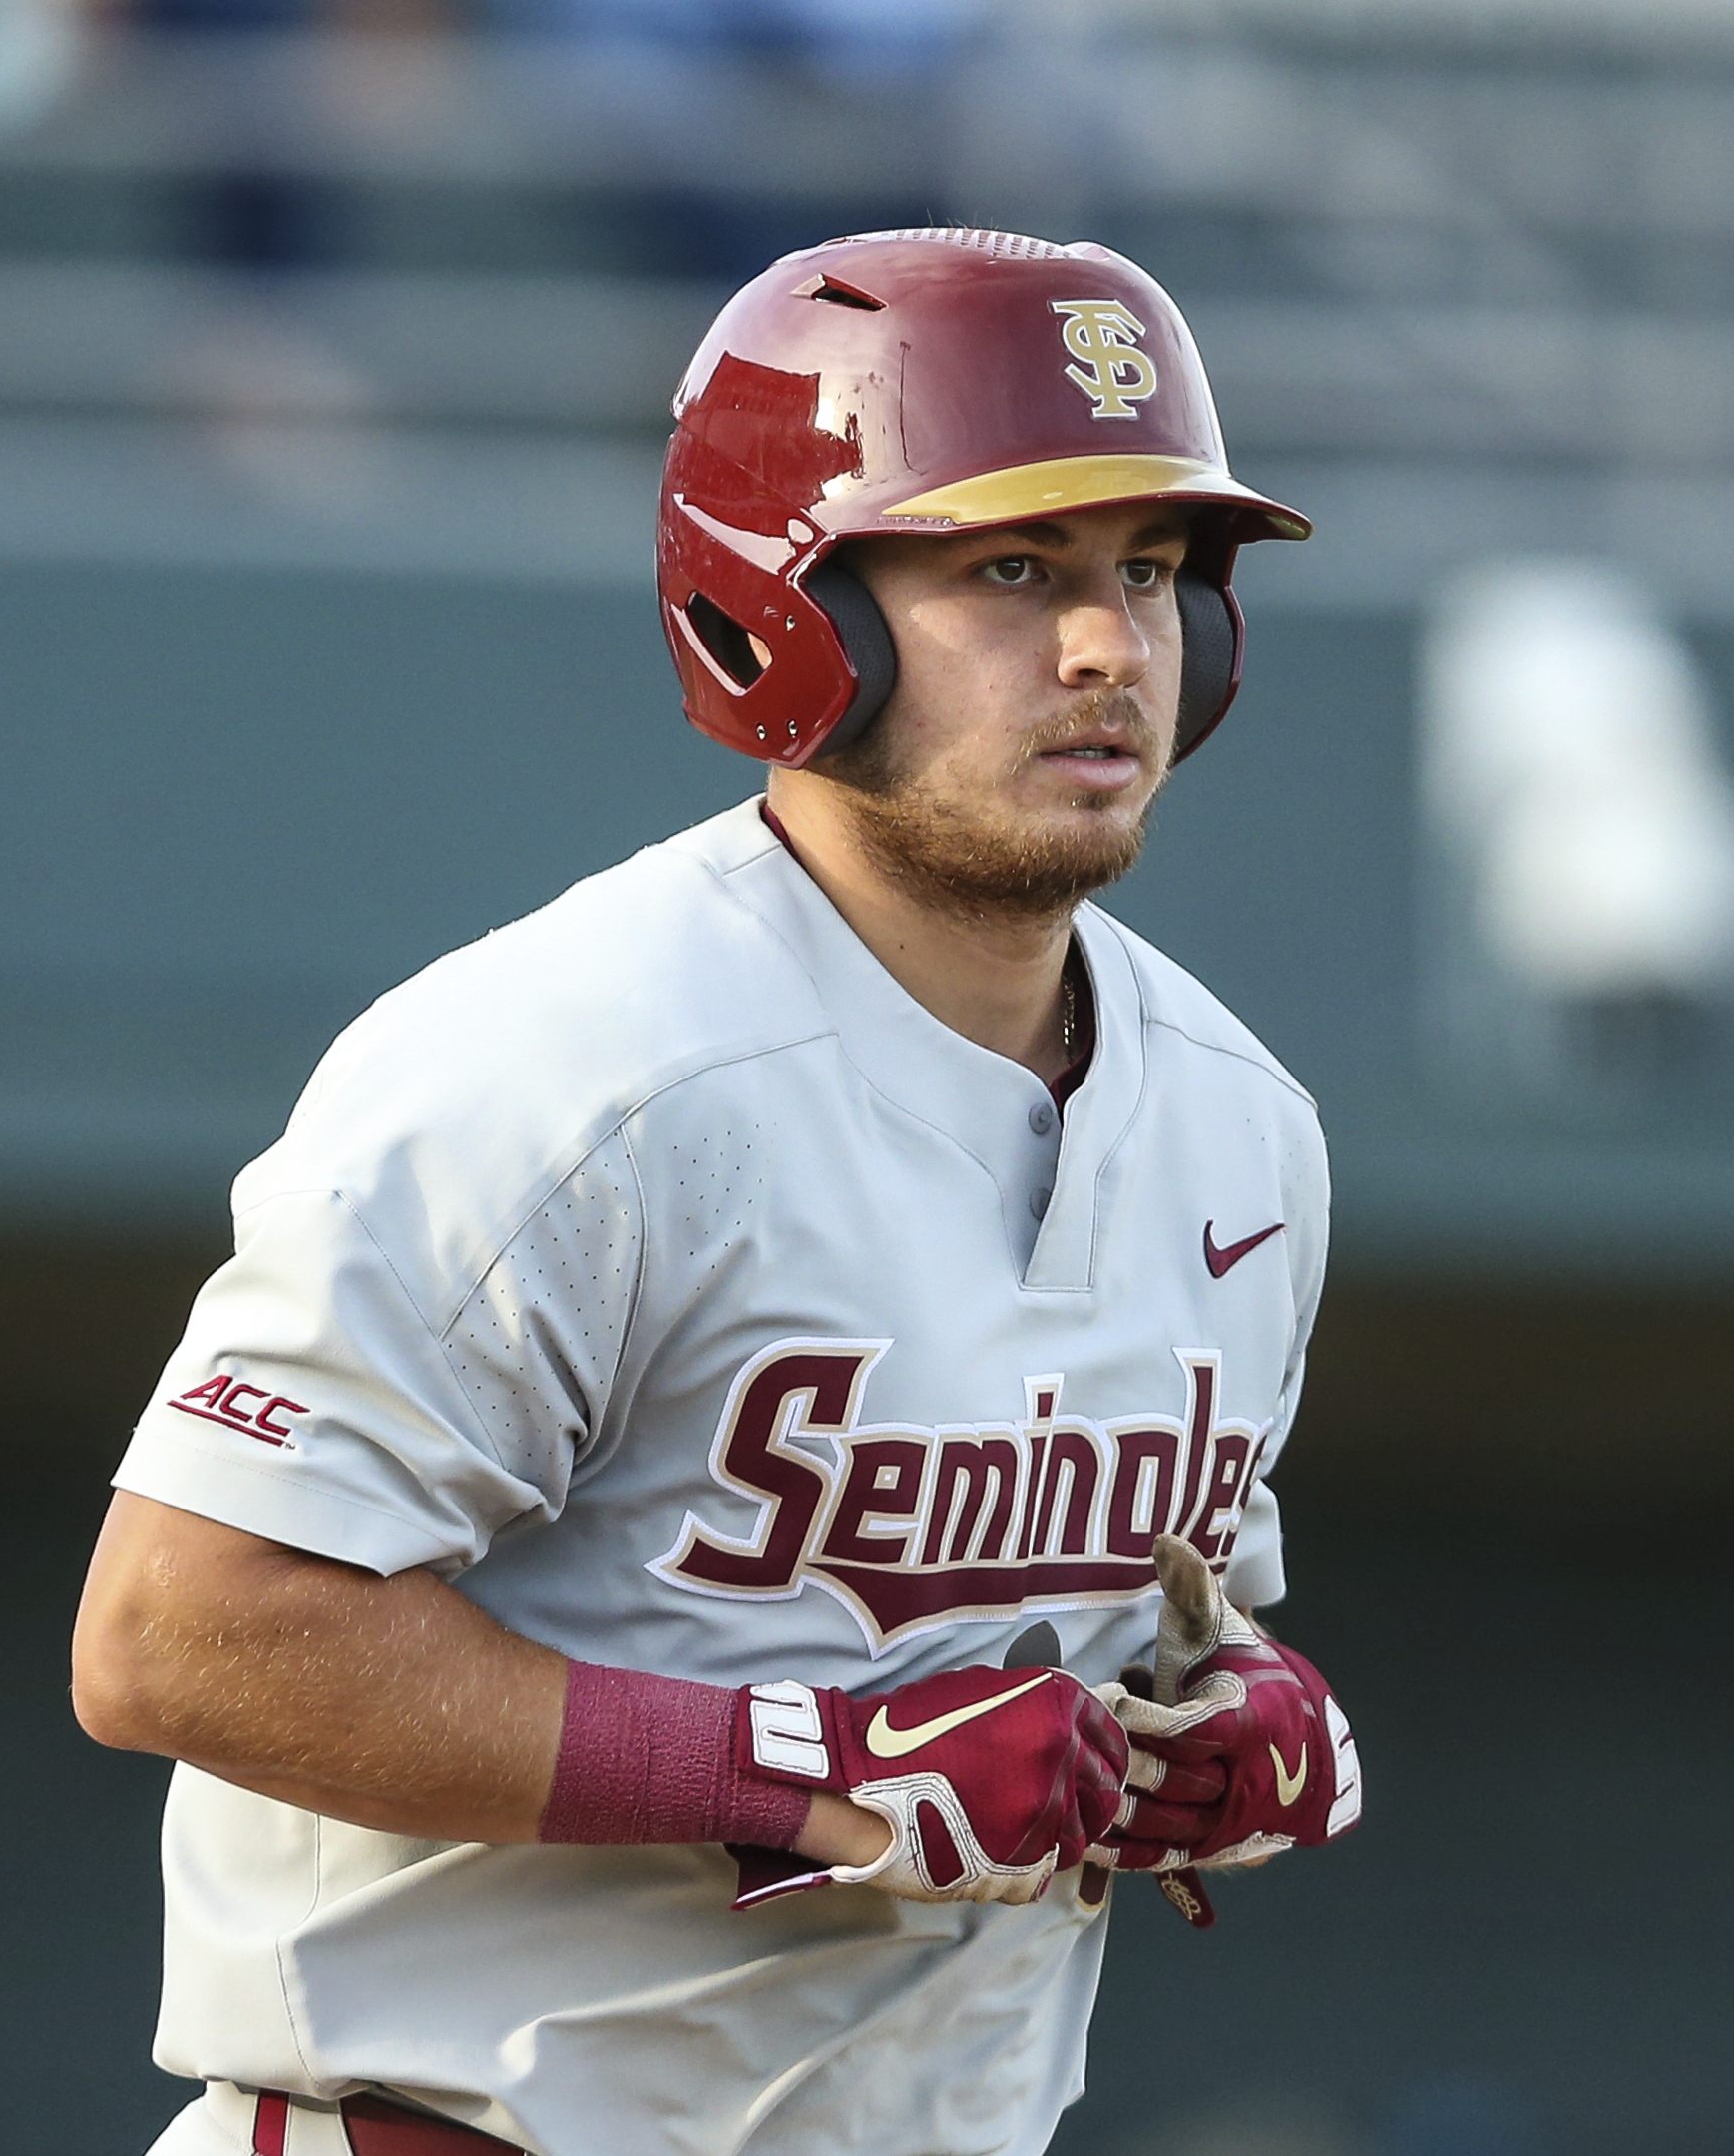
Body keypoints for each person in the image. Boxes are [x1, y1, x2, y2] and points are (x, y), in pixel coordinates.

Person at [70, 226, 1360, 2156]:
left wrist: (1227, 1713)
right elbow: (181, 1629)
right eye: (1011, 569)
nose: (1108, 648)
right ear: (788, 609)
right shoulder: (573, 1062)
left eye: (1153, 575)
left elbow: (1159, 1604)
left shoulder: (1242, 1121)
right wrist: (795, 1766)